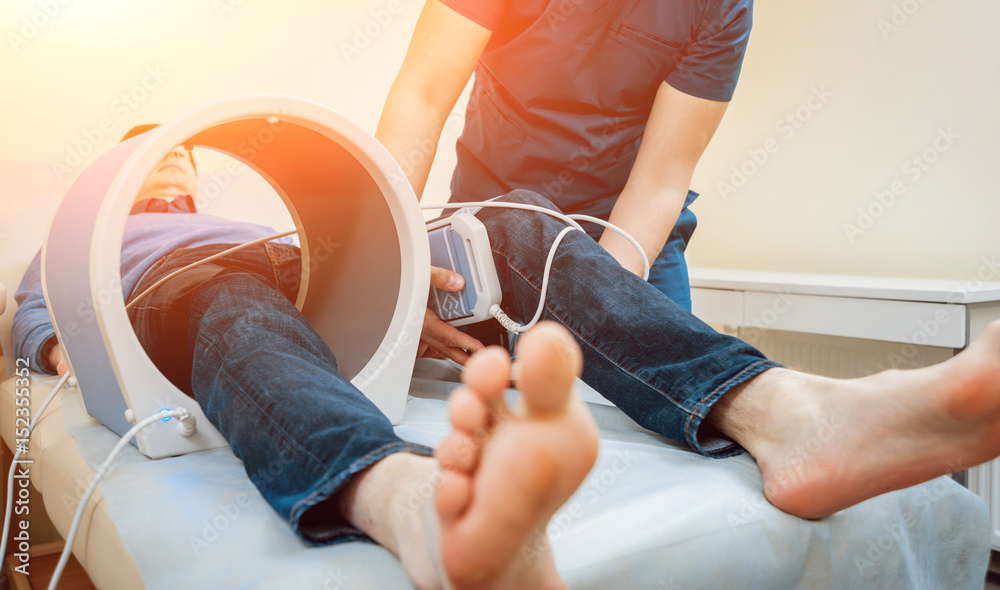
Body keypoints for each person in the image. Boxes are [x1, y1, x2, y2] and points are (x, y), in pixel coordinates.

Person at [13, 127, 1000, 589]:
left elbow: (340, 268)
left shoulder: (246, 215)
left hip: (302, 283)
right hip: (184, 305)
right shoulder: (75, 246)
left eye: (180, 159)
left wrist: (397, 300)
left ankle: (785, 413)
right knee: (235, 304)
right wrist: (65, 342)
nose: (173, 172)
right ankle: (415, 504)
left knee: (507, 235)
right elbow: (37, 334)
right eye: (156, 164)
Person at [377, 0, 753, 315]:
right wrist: (387, 270)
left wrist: (601, 307)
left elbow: (659, 183)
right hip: (487, 224)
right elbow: (422, 99)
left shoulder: (719, 8)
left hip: (624, 231)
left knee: (666, 385)